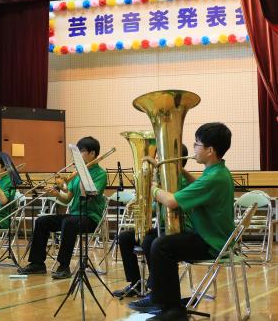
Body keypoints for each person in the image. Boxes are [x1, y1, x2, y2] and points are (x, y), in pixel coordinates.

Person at [129, 123, 234, 321]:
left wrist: (151, 186)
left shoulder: (214, 178)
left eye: (197, 144)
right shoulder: (216, 171)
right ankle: (160, 297)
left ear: (210, 150)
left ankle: (174, 311)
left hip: (212, 242)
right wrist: (179, 170)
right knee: (153, 240)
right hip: (210, 235)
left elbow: (171, 201)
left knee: (162, 246)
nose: (193, 148)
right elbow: (198, 185)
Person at [18, 136, 107, 279]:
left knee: (69, 223)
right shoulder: (77, 173)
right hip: (74, 215)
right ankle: (37, 263)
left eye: (82, 151)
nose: (78, 155)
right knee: (42, 221)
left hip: (90, 218)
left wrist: (83, 174)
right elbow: (67, 199)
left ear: (92, 153)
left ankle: (63, 266)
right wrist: (56, 193)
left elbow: (87, 195)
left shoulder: (101, 174)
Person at [113, 144, 189, 298]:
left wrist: (154, 188)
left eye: (161, 158)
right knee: (125, 237)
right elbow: (155, 207)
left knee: (150, 241)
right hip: (162, 227)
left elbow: (173, 202)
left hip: (177, 230)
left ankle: (155, 288)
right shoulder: (162, 179)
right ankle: (136, 283)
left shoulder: (182, 181)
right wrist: (141, 204)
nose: (157, 161)